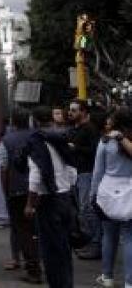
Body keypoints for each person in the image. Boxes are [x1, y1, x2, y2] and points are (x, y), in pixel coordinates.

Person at [24, 105, 77, 288]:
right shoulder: (61, 136)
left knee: (51, 252)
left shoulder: (36, 140)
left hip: (48, 200)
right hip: (65, 197)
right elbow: (72, 166)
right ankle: (67, 283)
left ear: (36, 121)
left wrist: (30, 204)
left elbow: (35, 174)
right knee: (64, 248)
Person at [89, 107, 132, 288]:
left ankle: (107, 277)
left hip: (108, 190)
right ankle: (129, 282)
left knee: (109, 235)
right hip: (130, 190)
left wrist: (93, 194)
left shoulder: (105, 141)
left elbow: (98, 171)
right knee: (129, 237)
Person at [0, 108, 42, 283]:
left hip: (17, 190)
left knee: (22, 229)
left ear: (13, 122)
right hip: (39, 189)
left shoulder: (6, 140)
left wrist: (6, 190)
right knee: (37, 228)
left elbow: (4, 169)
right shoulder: (38, 136)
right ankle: (38, 261)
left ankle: (32, 268)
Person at [67, 100, 101, 259]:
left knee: (87, 209)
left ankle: (95, 244)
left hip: (87, 172)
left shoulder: (90, 129)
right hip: (76, 173)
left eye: (74, 110)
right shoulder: (75, 128)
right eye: (70, 110)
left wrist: (76, 148)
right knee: (82, 209)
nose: (70, 113)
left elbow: (94, 151)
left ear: (84, 112)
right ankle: (88, 242)